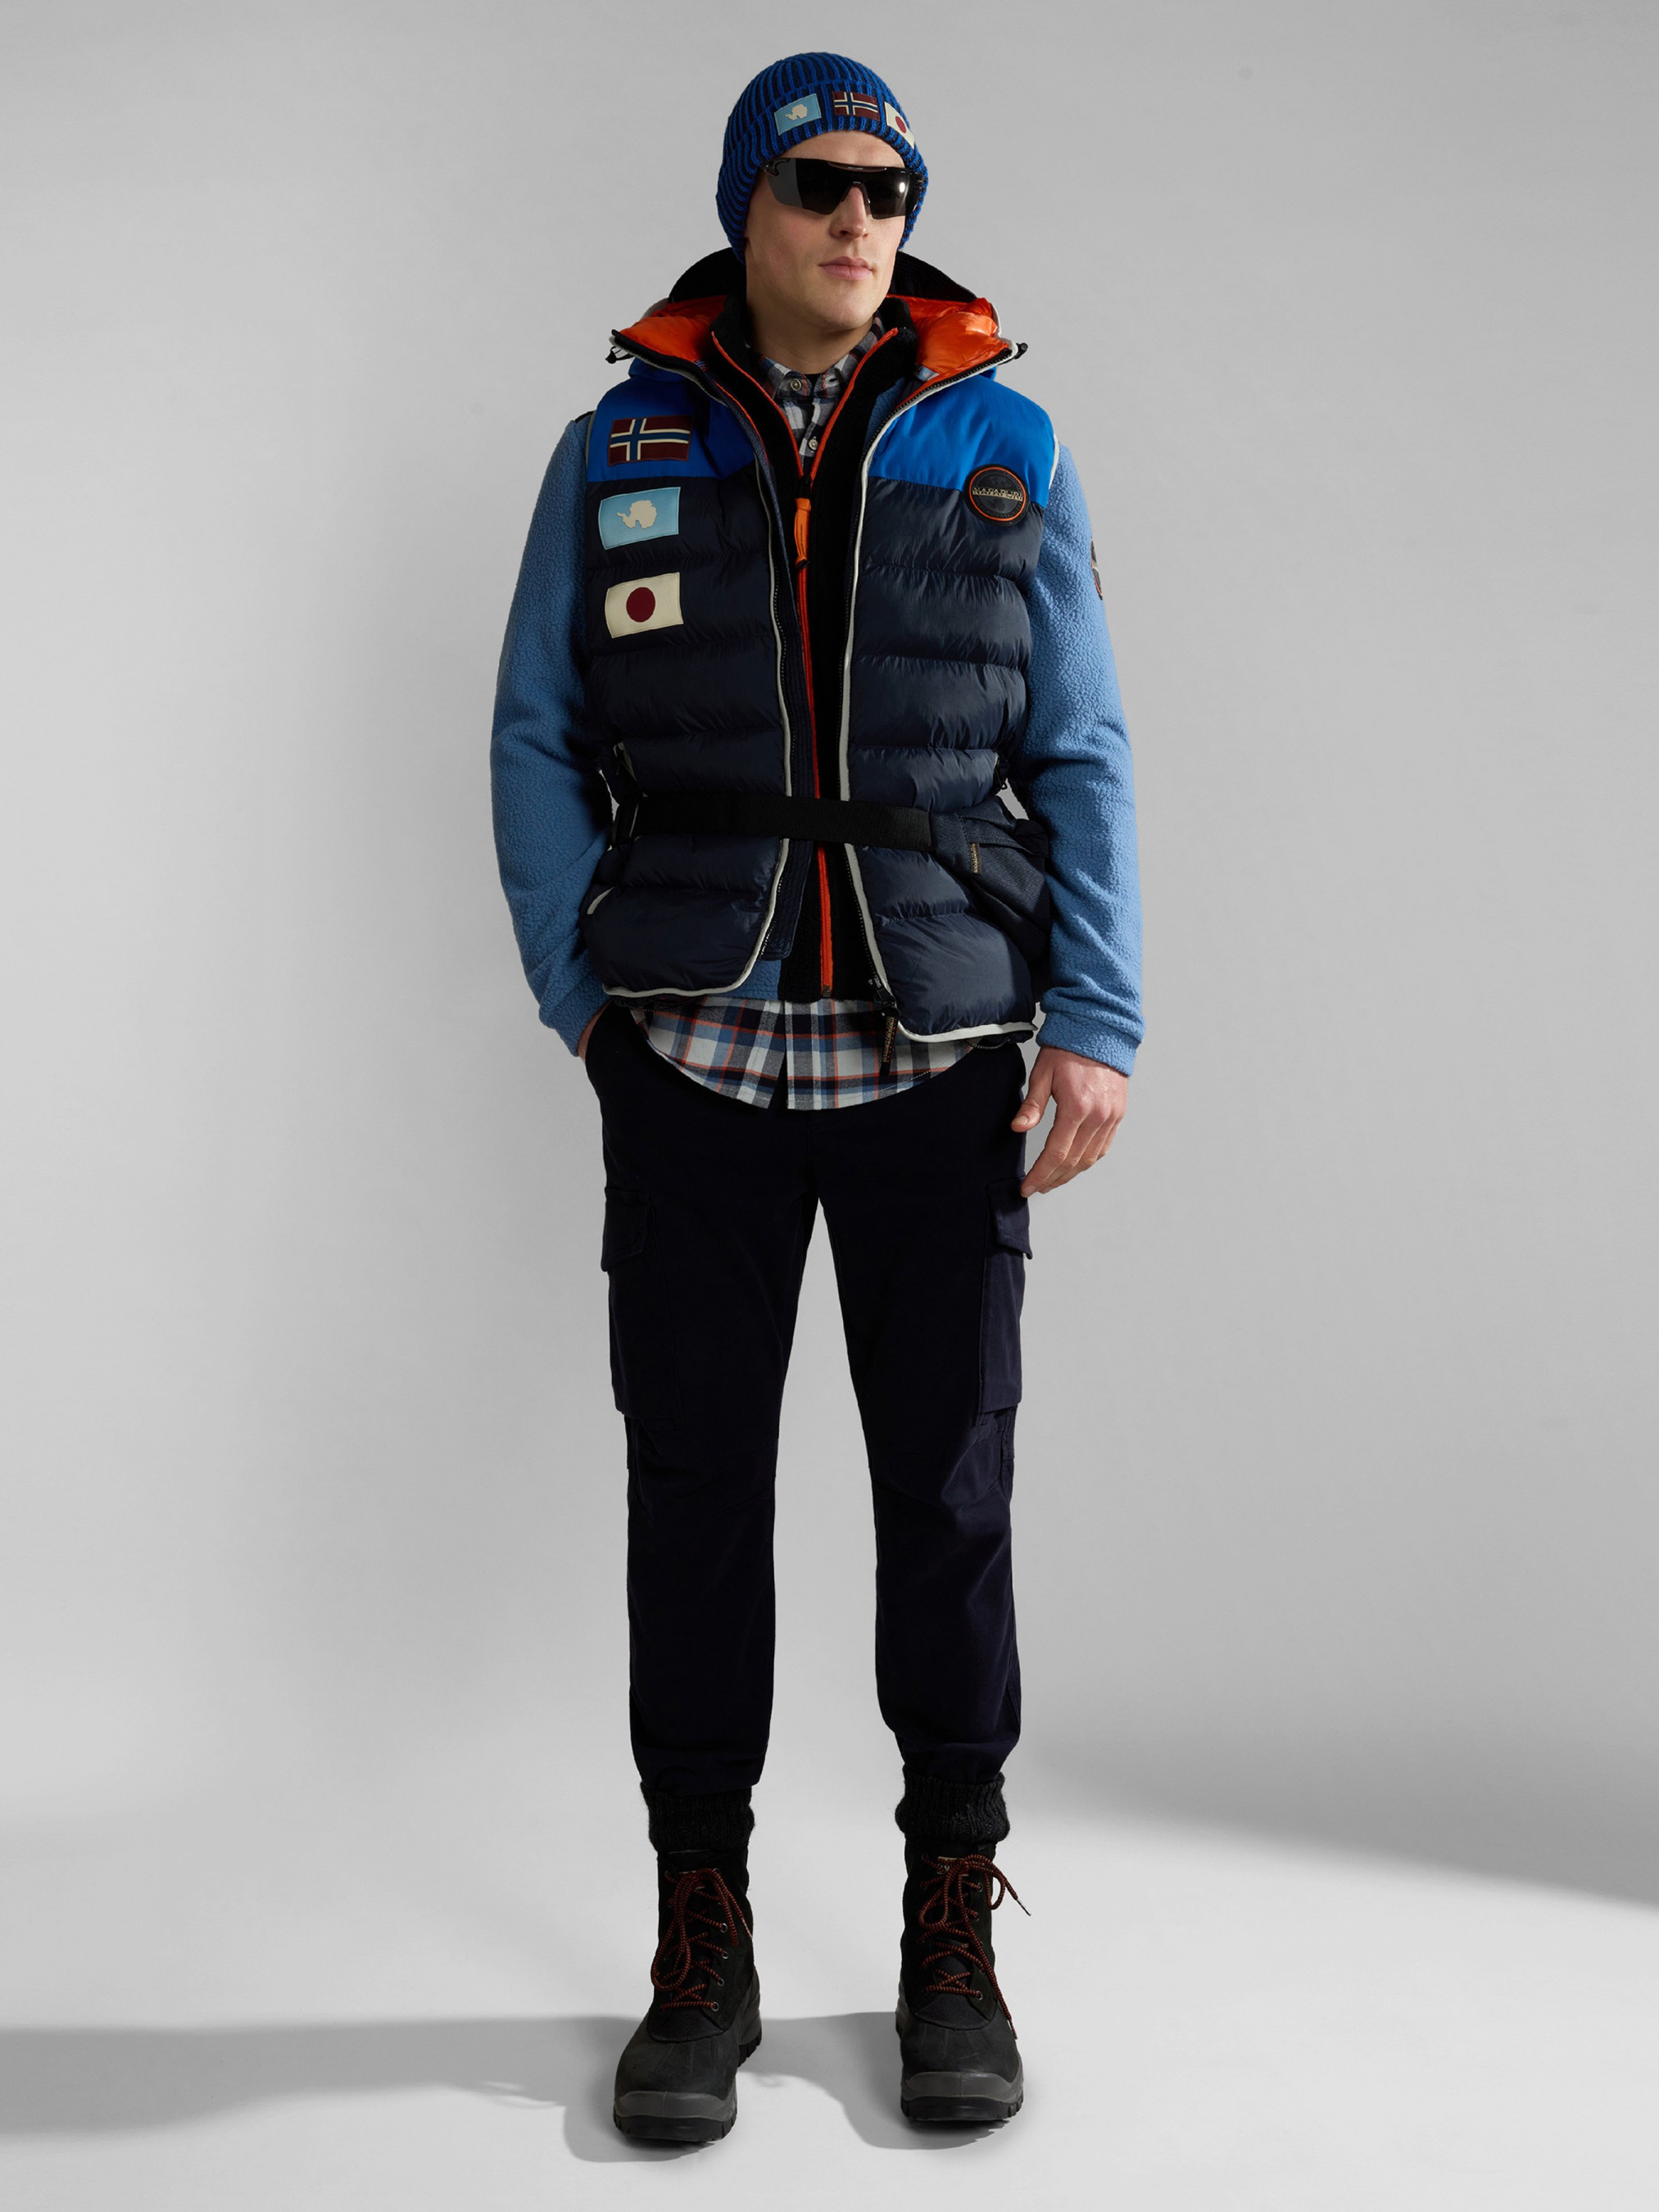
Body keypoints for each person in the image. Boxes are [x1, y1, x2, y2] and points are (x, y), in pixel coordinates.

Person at [491, 52, 1143, 2142]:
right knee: (694, 1492)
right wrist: (583, 994)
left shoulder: (1000, 441)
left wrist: (1097, 1013)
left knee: (946, 1492)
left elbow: (1078, 744)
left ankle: (949, 1927)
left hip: (934, 1058)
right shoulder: (616, 445)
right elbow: (531, 730)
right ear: (743, 209)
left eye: (887, 190)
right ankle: (702, 1938)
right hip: (692, 1051)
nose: (860, 220)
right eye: (816, 186)